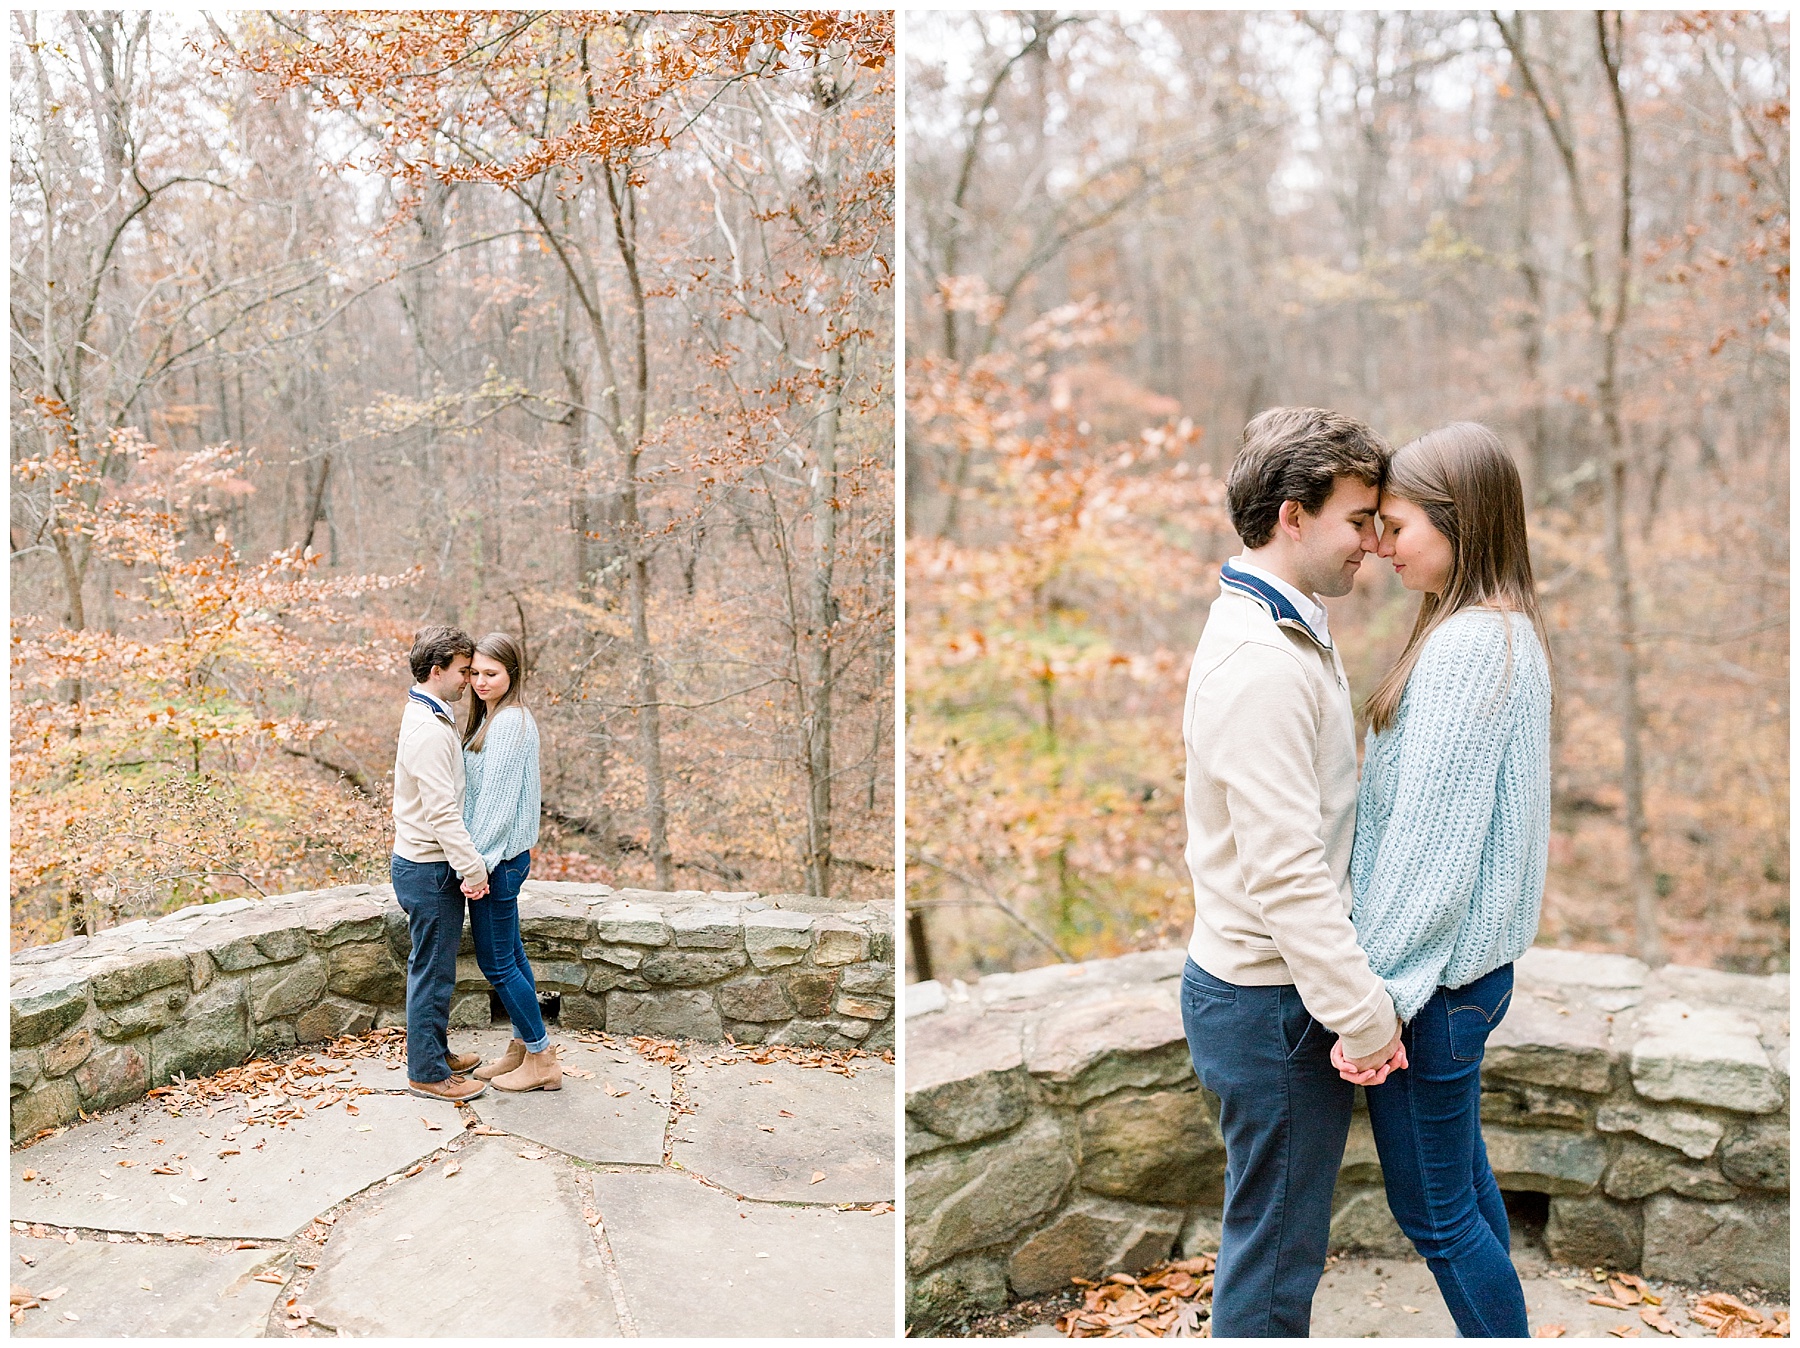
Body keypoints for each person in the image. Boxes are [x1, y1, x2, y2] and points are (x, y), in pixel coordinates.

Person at [1179, 407, 1408, 1338]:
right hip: (1272, 1006)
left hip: (1273, 996)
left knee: (1275, 1248)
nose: (1375, 541)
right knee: (1273, 1269)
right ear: (1292, 515)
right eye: (1359, 519)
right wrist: (1362, 1016)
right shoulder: (1262, 663)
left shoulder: (1284, 630)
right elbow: (1285, 873)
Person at [1332, 423, 1552, 1337]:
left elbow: (1431, 852)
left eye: (1397, 525)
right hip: (1469, 979)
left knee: (1437, 1214)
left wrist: (1377, 1004)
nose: (1380, 546)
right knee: (1461, 1185)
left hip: (1435, 989)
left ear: (1460, 523)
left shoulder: (1468, 651)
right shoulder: (1494, 632)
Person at [391, 625, 490, 1102]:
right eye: (463, 671)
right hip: (429, 869)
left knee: (436, 969)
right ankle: (427, 1073)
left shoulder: (433, 714)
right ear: (437, 671)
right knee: (432, 971)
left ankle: (434, 1050)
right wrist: (472, 868)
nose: (469, 680)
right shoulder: (428, 730)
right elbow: (442, 812)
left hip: (427, 864)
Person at [459, 631, 561, 1093]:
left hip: (496, 862)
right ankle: (522, 1047)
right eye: (475, 673)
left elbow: (497, 807)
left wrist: (476, 866)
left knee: (497, 963)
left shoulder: (509, 724)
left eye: (491, 673)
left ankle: (542, 1058)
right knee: (513, 956)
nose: (480, 681)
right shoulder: (493, 718)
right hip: (501, 858)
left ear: (512, 674)